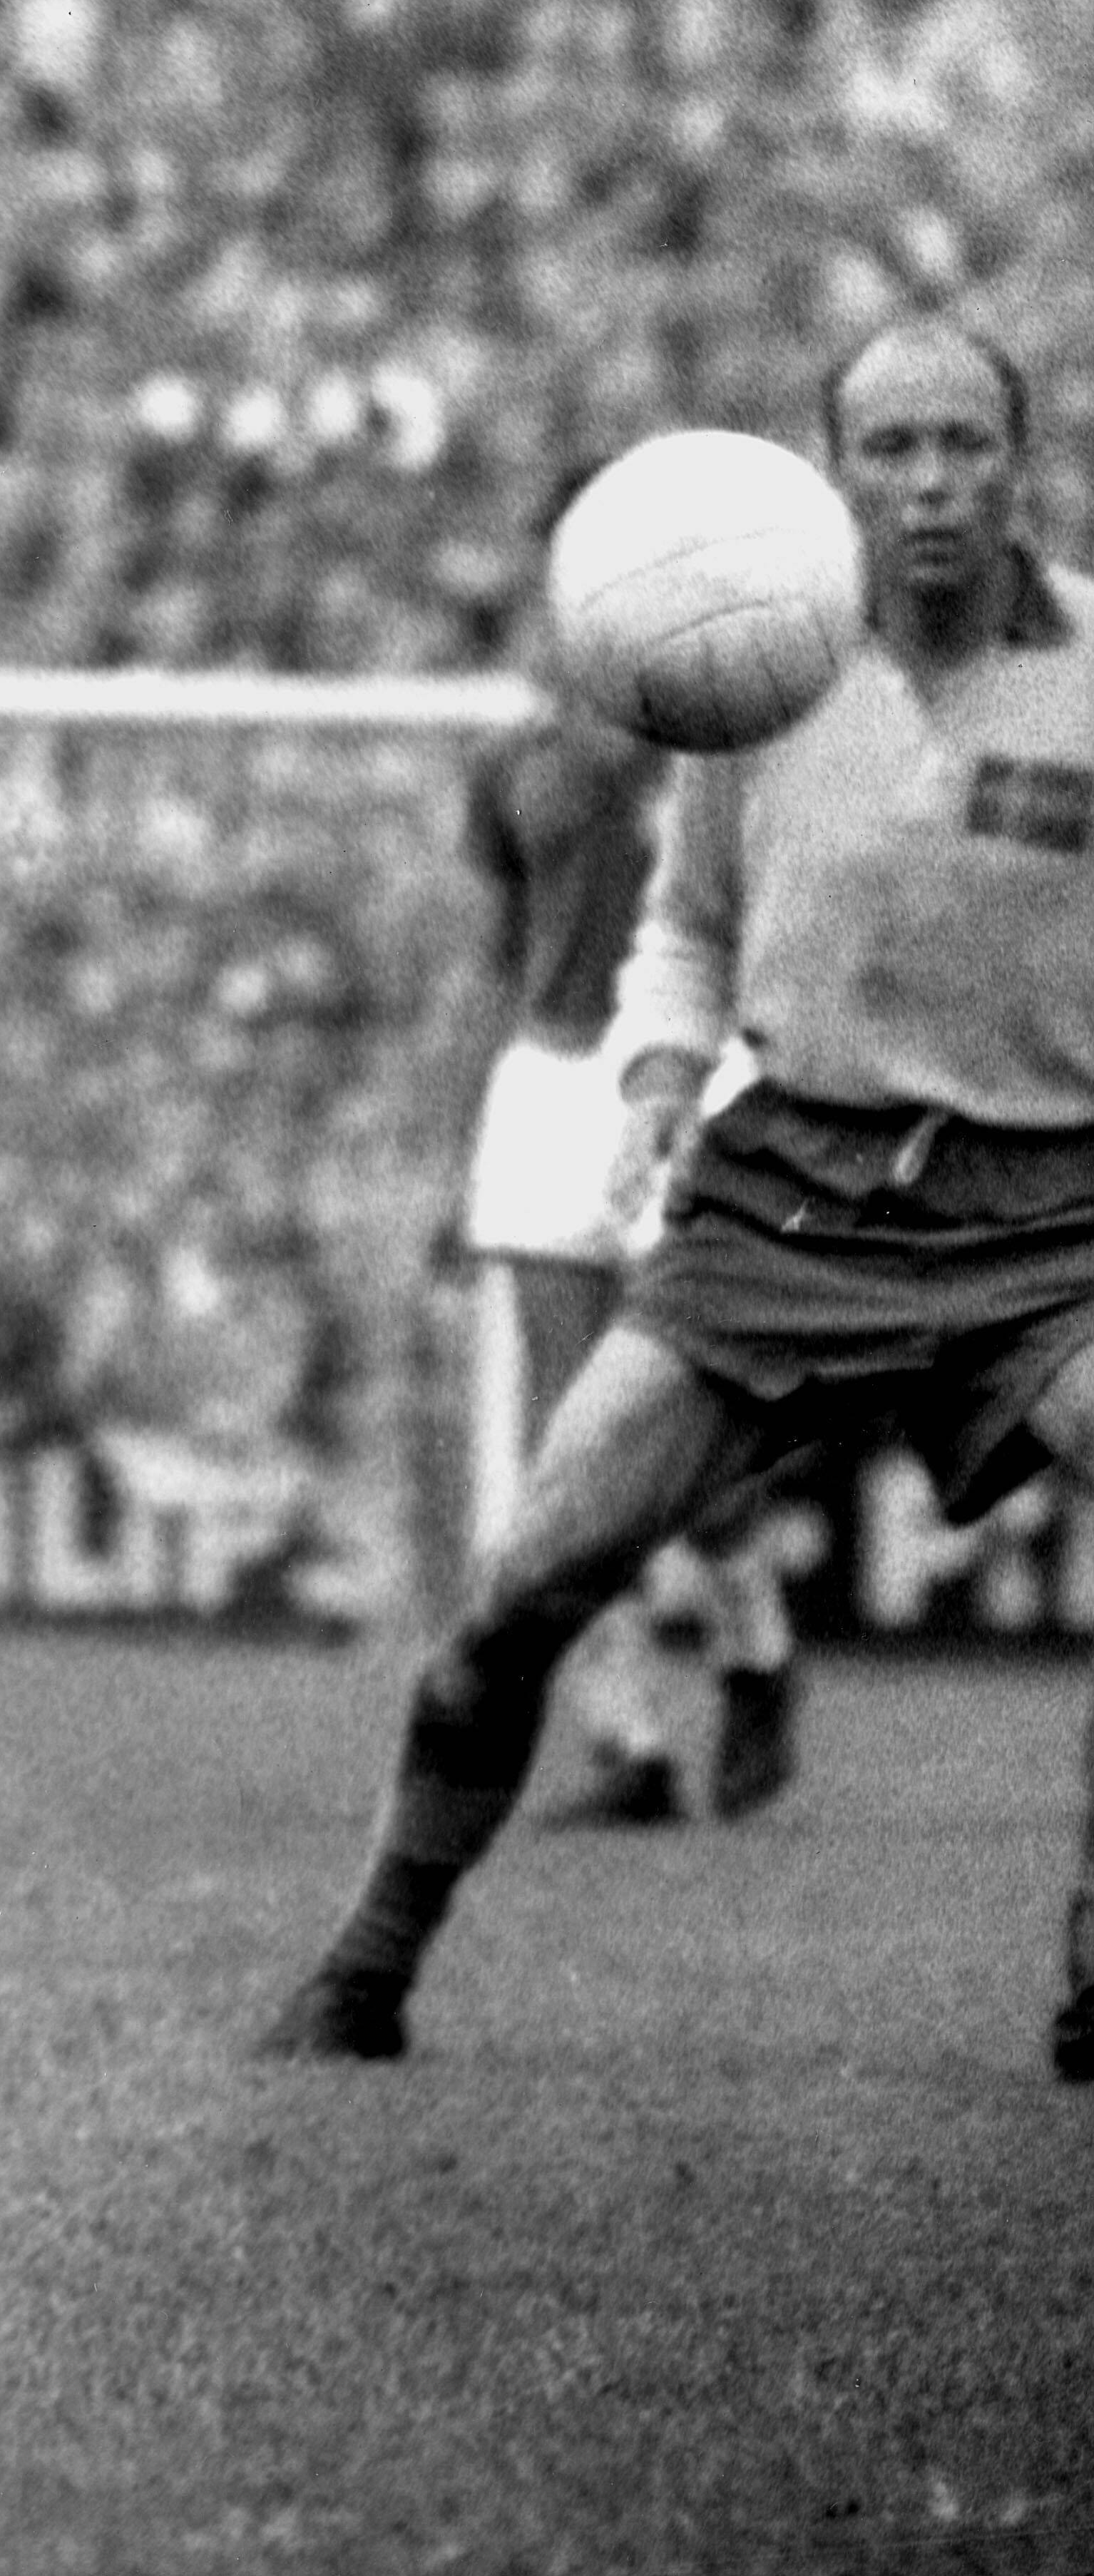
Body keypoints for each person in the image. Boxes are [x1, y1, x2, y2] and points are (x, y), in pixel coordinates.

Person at [262, 316, 1094, 2067]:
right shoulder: (755, 675)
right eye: (889, 447)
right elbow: (686, 928)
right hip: (785, 1194)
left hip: (1050, 1219)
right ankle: (365, 1961)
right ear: (834, 470)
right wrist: (653, 1073)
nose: (930, 482)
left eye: (962, 442)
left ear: (1017, 460)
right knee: (526, 1582)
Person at [453, 622, 799, 1830]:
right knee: (564, 1431)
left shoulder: (714, 747)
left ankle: (752, 1635)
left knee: (669, 1410)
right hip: (543, 1083)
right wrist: (469, 1109)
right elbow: (502, 956)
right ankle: (629, 1735)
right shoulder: (507, 766)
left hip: (672, 1066)